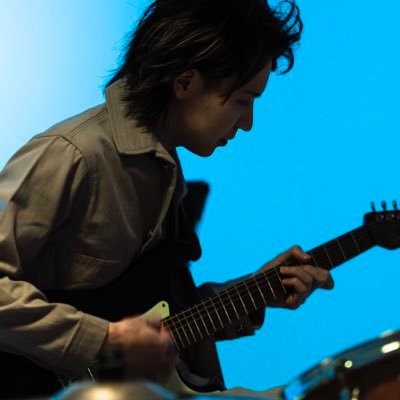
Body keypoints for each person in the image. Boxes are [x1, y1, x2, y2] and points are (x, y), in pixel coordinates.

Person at [0, 0, 334, 397]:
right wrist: (104, 341)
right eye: (243, 101)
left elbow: (156, 319)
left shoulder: (162, 167)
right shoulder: (72, 154)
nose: (247, 123)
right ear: (185, 83)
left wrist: (257, 291)